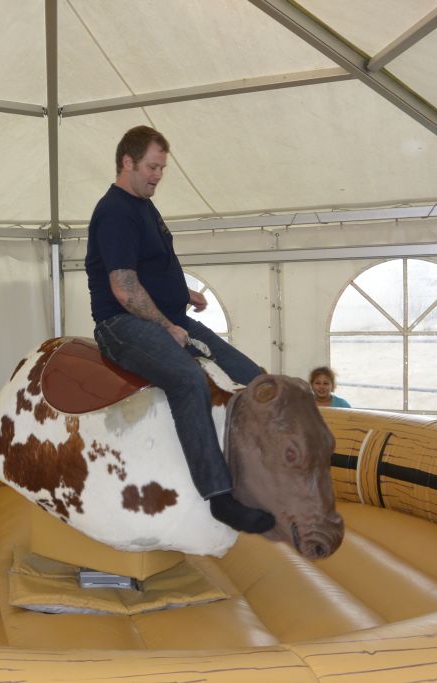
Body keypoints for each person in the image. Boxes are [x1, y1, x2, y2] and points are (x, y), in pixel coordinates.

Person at [85, 125, 274, 535]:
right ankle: (219, 497)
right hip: (122, 324)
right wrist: (166, 325)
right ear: (127, 162)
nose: (158, 176)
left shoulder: (144, 205)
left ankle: (263, 473)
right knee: (188, 380)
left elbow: (149, 269)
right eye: (152, 167)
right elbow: (123, 288)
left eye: (162, 169)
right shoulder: (115, 211)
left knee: (252, 377)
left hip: (171, 316)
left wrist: (183, 293)